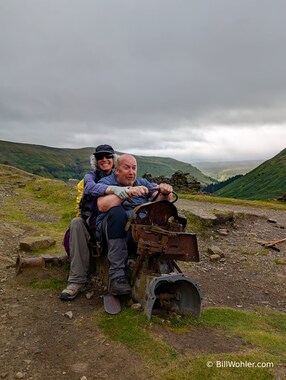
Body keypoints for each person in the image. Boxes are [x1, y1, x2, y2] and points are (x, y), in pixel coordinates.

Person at [96, 154, 173, 296]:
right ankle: (117, 275)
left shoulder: (141, 182)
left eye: (134, 168)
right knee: (117, 212)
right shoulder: (106, 181)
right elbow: (102, 205)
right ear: (117, 170)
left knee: (160, 215)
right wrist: (128, 193)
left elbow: (157, 200)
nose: (131, 172)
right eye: (126, 168)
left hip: (138, 232)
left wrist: (165, 193)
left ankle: (164, 265)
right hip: (113, 232)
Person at [60, 144, 118, 301]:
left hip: (113, 225)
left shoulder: (121, 176)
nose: (104, 160)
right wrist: (116, 190)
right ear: (95, 160)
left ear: (114, 159)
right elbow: (91, 188)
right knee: (76, 223)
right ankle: (76, 281)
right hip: (92, 226)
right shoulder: (90, 177)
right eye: (100, 157)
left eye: (108, 156)